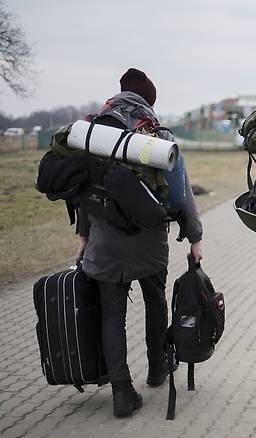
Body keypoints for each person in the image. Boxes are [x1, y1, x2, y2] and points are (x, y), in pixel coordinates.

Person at [76, 68, 203, 417]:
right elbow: (182, 193)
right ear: (149, 100)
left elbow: (86, 191)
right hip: (149, 242)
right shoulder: (157, 135)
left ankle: (121, 392)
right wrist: (195, 237)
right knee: (154, 302)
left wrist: (84, 236)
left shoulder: (96, 133)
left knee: (111, 314)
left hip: (104, 241)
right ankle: (158, 365)